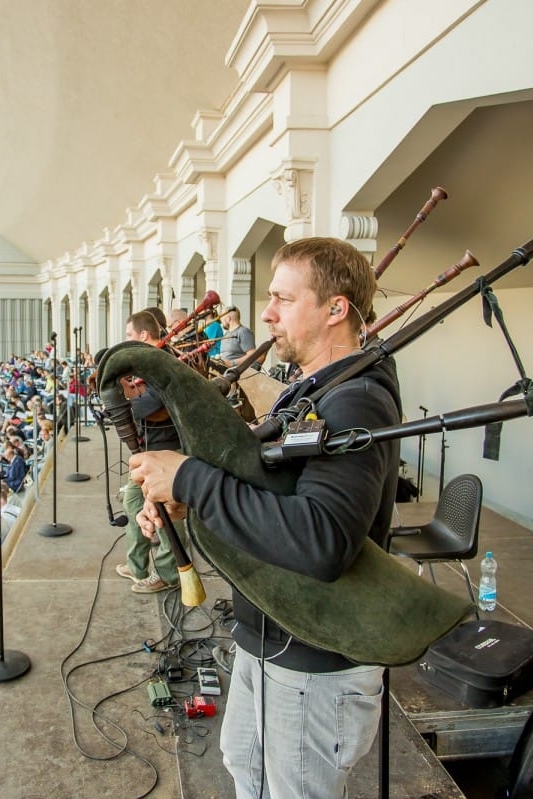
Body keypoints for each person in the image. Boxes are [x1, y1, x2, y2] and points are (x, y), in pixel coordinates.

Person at [129, 237, 397, 799]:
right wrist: (187, 504)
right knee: (243, 765)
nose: (267, 313)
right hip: (268, 638)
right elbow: (271, 500)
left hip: (314, 663)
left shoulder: (357, 402)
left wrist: (191, 479)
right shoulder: (309, 391)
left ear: (335, 308)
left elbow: (321, 540)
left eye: (282, 298)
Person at [113, 310, 182, 595]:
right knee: (132, 502)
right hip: (150, 448)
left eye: (130, 335)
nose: (127, 340)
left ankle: (168, 573)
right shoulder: (149, 362)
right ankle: (137, 565)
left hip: (167, 448)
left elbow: (151, 404)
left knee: (166, 515)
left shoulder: (163, 360)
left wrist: (127, 397)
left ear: (143, 335)